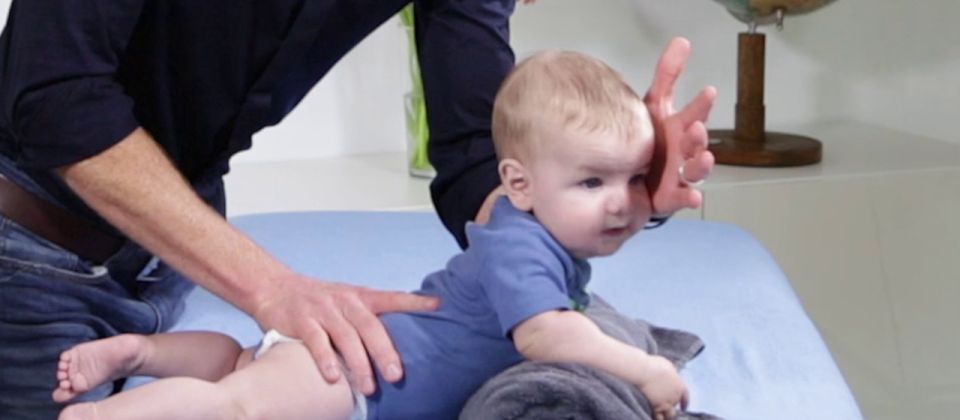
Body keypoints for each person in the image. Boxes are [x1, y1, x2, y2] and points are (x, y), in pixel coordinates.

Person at [0, 1, 715, 418]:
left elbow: (477, 150)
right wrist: (270, 286)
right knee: (237, 404)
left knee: (234, 371)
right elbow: (53, 93)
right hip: (25, 245)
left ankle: (143, 355)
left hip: (168, 262)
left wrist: (621, 189)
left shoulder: (522, 229)